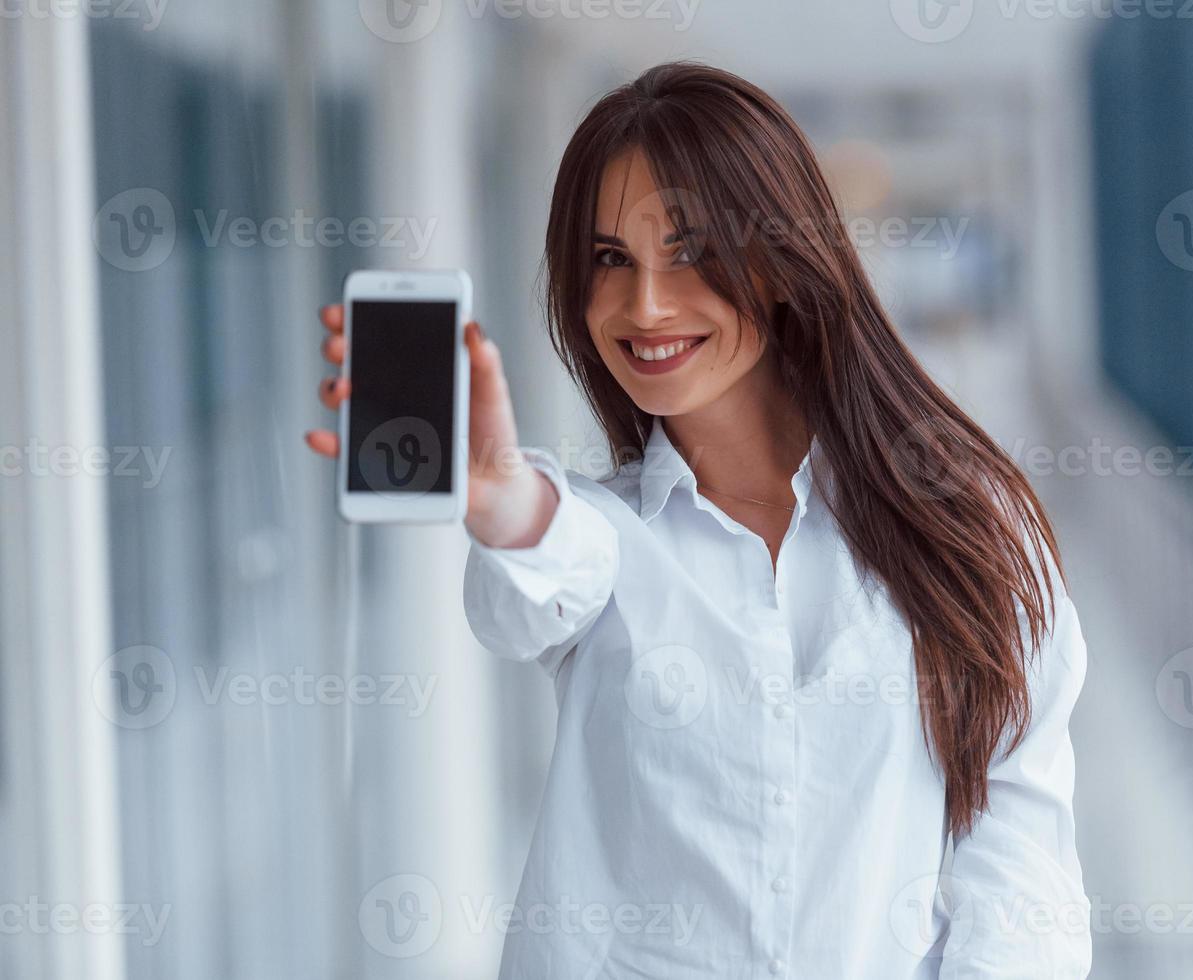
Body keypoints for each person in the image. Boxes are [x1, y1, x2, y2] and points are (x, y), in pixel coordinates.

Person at [306, 61, 1091, 980]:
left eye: (688, 251)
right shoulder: (607, 538)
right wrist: (507, 504)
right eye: (611, 260)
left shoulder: (967, 529)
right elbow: (538, 576)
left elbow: (1021, 883)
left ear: (785, 258)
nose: (643, 306)